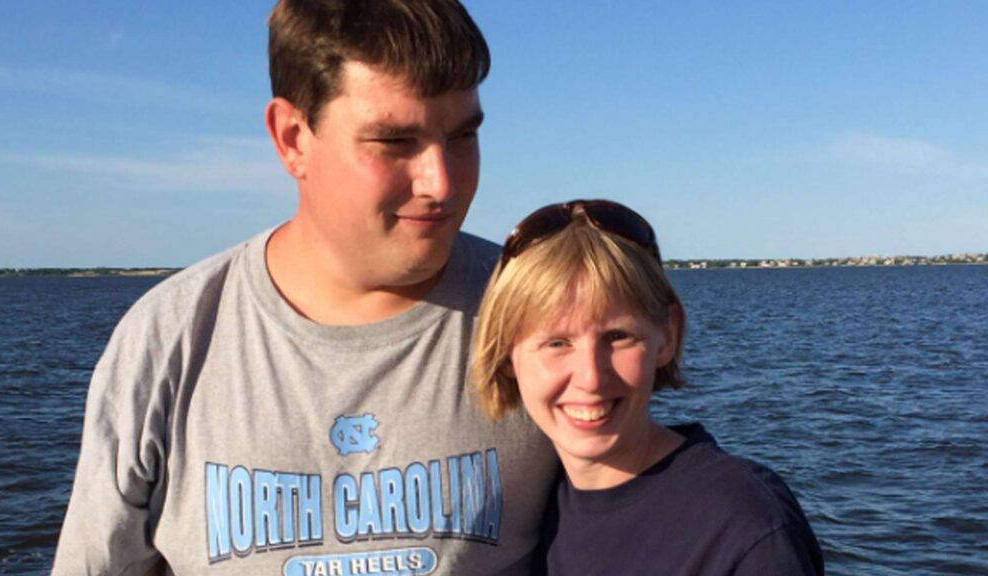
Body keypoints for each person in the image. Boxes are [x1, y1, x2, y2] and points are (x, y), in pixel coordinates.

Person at [52, 1, 556, 574]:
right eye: (394, 141)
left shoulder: (543, 315)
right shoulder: (169, 338)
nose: (441, 183)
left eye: (463, 135)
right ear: (292, 138)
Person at [470, 199, 825, 575]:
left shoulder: (743, 528)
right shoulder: (529, 509)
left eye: (617, 337)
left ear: (666, 335)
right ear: (506, 353)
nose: (591, 377)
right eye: (557, 343)